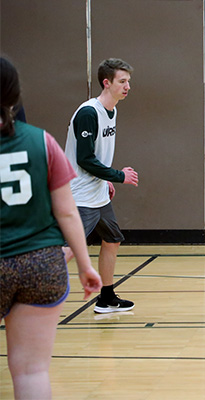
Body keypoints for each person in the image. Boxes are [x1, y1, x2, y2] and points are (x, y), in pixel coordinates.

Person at [0, 56, 102, 399]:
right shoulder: (42, 142)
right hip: (41, 263)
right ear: (15, 96)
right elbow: (68, 212)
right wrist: (86, 266)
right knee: (32, 372)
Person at [63, 58, 139, 314]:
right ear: (106, 83)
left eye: (128, 81)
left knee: (113, 239)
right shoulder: (88, 113)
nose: (128, 86)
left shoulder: (113, 109)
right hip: (80, 195)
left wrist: (105, 179)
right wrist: (118, 176)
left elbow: (96, 155)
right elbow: (84, 159)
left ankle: (106, 297)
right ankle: (28, 295)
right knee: (69, 249)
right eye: (122, 81)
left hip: (97, 192)